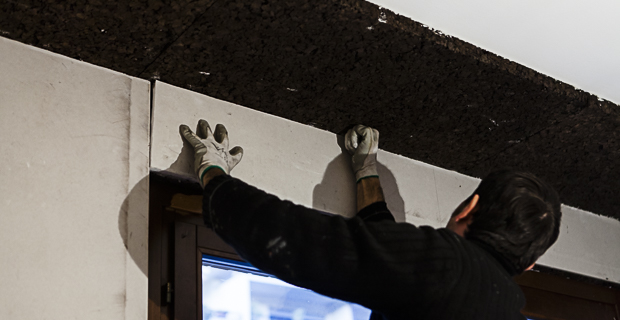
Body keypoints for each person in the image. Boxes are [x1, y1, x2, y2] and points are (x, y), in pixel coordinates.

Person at [179, 120, 562, 320]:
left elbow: (299, 239)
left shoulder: (448, 267)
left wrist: (214, 177)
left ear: (467, 208)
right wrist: (366, 170)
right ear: (529, 263)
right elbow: (389, 257)